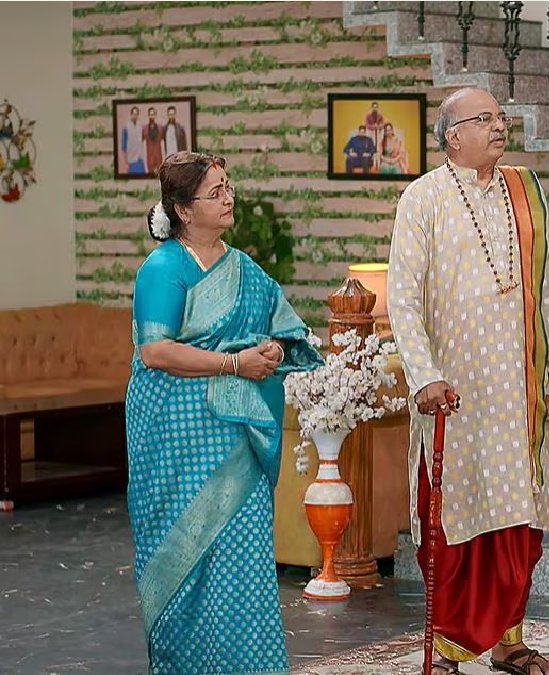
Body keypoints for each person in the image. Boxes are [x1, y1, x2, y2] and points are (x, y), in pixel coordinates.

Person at [387, 87, 549, 675]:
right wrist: (425, 376)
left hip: (519, 391)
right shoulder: (422, 198)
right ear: (453, 136)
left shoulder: (526, 191)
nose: (500, 126)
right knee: (455, 518)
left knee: (520, 521)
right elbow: (402, 297)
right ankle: (448, 644)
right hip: (455, 394)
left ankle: (510, 641)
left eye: (501, 117)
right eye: (486, 118)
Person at [126, 152, 322, 673]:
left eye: (228, 186)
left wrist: (273, 351)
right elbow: (156, 352)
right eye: (215, 193)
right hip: (174, 437)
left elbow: (285, 329)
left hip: (236, 437)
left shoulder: (244, 269)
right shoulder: (162, 269)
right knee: (184, 561)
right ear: (183, 210)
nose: (228, 197)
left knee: (244, 554)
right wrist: (235, 363)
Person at [121, 106, 146, 175]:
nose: (135, 116)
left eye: (136, 114)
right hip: (131, 160)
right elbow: (123, 147)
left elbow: (142, 140)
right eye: (134, 114)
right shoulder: (126, 128)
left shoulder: (140, 127)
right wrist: (126, 163)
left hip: (140, 159)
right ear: (131, 115)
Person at [144, 107, 164, 175]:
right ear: (148, 115)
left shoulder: (160, 128)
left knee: (159, 175)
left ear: (155, 115)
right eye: (150, 114)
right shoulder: (145, 129)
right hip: (150, 156)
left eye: (153, 114)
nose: (152, 116)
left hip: (158, 156)